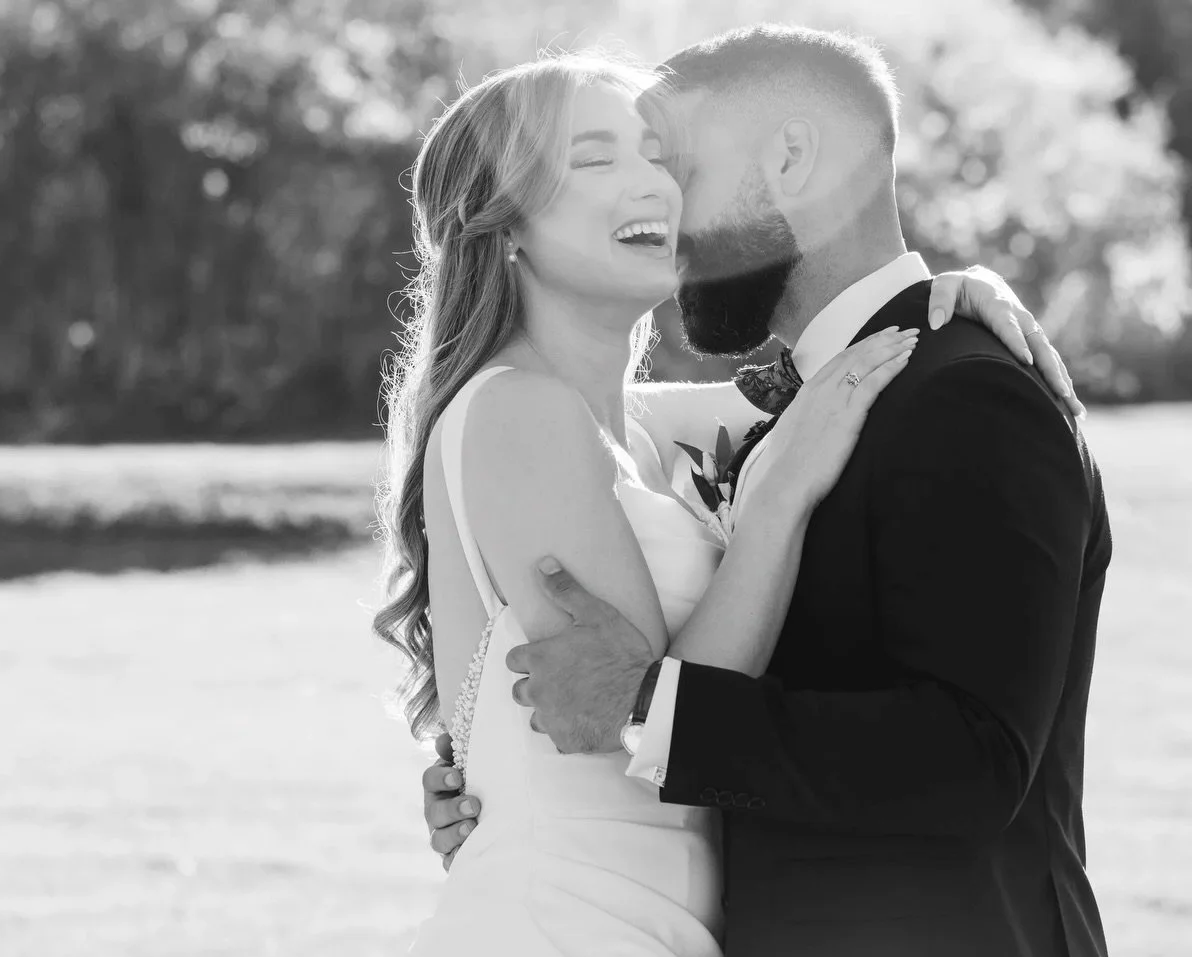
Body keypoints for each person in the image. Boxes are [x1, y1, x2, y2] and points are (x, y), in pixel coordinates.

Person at [419, 27, 1111, 957]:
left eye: (672, 161)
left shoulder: (959, 393)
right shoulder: (730, 417)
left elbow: (973, 758)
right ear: (507, 229)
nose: (659, 193)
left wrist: (955, 284)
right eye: (605, 159)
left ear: (791, 160)